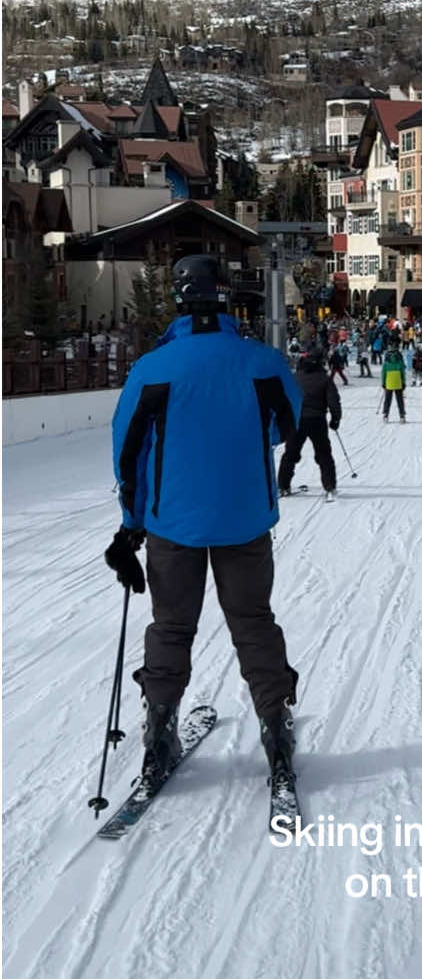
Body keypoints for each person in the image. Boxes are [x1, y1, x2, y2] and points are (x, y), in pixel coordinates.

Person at [108, 254, 302, 796]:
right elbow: (283, 427)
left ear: (177, 299)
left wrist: (131, 524)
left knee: (171, 627)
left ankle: (160, 732)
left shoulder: (153, 367)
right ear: (226, 297)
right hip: (244, 519)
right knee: (254, 623)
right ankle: (275, 729)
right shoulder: (262, 360)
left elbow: (127, 452)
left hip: (172, 524)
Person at [278, 345, 342, 500]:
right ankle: (329, 486)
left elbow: (284, 398)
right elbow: (333, 401)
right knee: (323, 453)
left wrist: (283, 419)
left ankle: (283, 485)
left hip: (297, 420)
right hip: (317, 420)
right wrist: (335, 419)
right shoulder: (324, 379)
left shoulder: (294, 378)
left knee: (291, 452)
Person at [381, 342, 407, 421]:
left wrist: (383, 383)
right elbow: (403, 373)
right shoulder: (400, 362)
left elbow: (383, 374)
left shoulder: (386, 363)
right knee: (400, 400)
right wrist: (403, 382)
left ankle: (386, 414)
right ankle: (402, 415)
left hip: (389, 383)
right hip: (398, 382)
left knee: (387, 400)